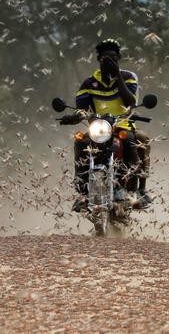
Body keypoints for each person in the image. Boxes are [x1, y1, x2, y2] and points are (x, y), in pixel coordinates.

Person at [60, 39, 152, 212]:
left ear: (119, 58)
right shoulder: (88, 83)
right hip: (99, 127)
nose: (109, 61)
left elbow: (130, 101)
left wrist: (116, 75)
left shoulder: (128, 78)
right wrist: (73, 117)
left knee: (137, 140)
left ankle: (139, 190)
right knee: (80, 141)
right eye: (104, 59)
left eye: (113, 58)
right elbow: (82, 109)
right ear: (98, 59)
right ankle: (82, 193)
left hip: (123, 124)